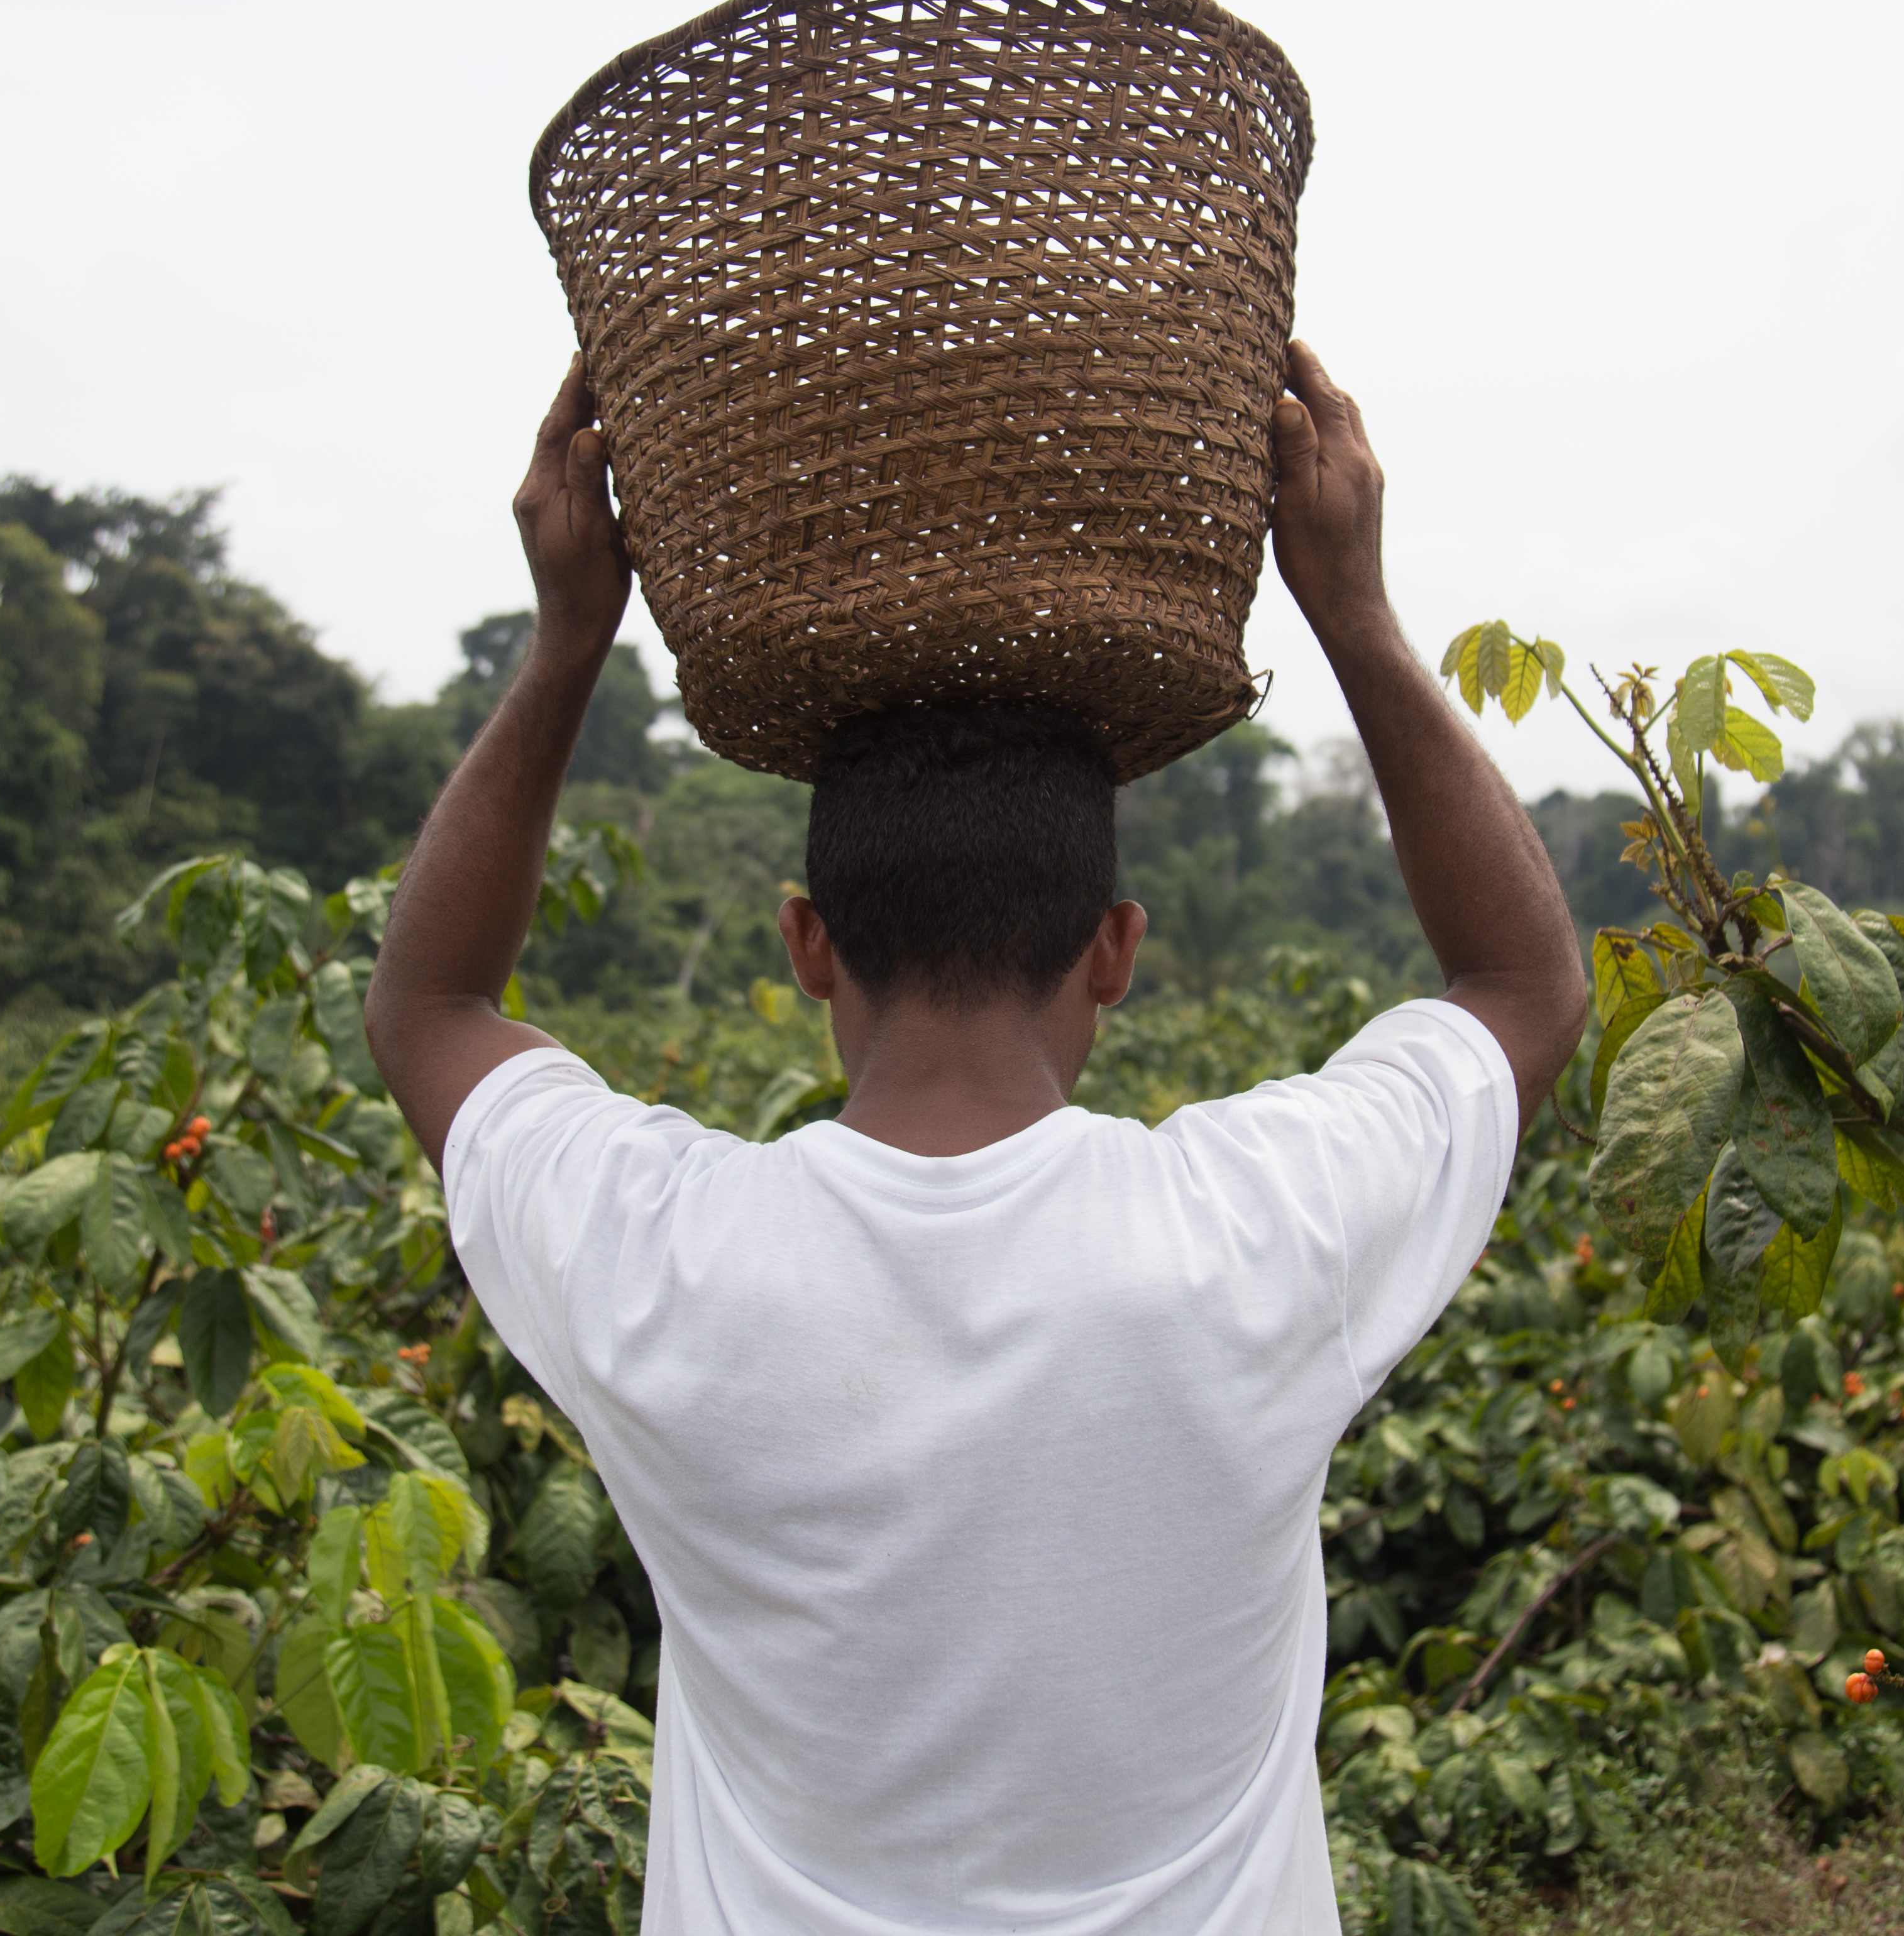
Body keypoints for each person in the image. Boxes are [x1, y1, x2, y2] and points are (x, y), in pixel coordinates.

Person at [363, 343, 1587, 1934]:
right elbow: (1523, 985)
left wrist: (568, 645)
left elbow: (429, 1008)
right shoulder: (1258, 1228)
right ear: (1117, 951)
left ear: (808, 944)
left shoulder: (664, 1257)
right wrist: (1349, 608)